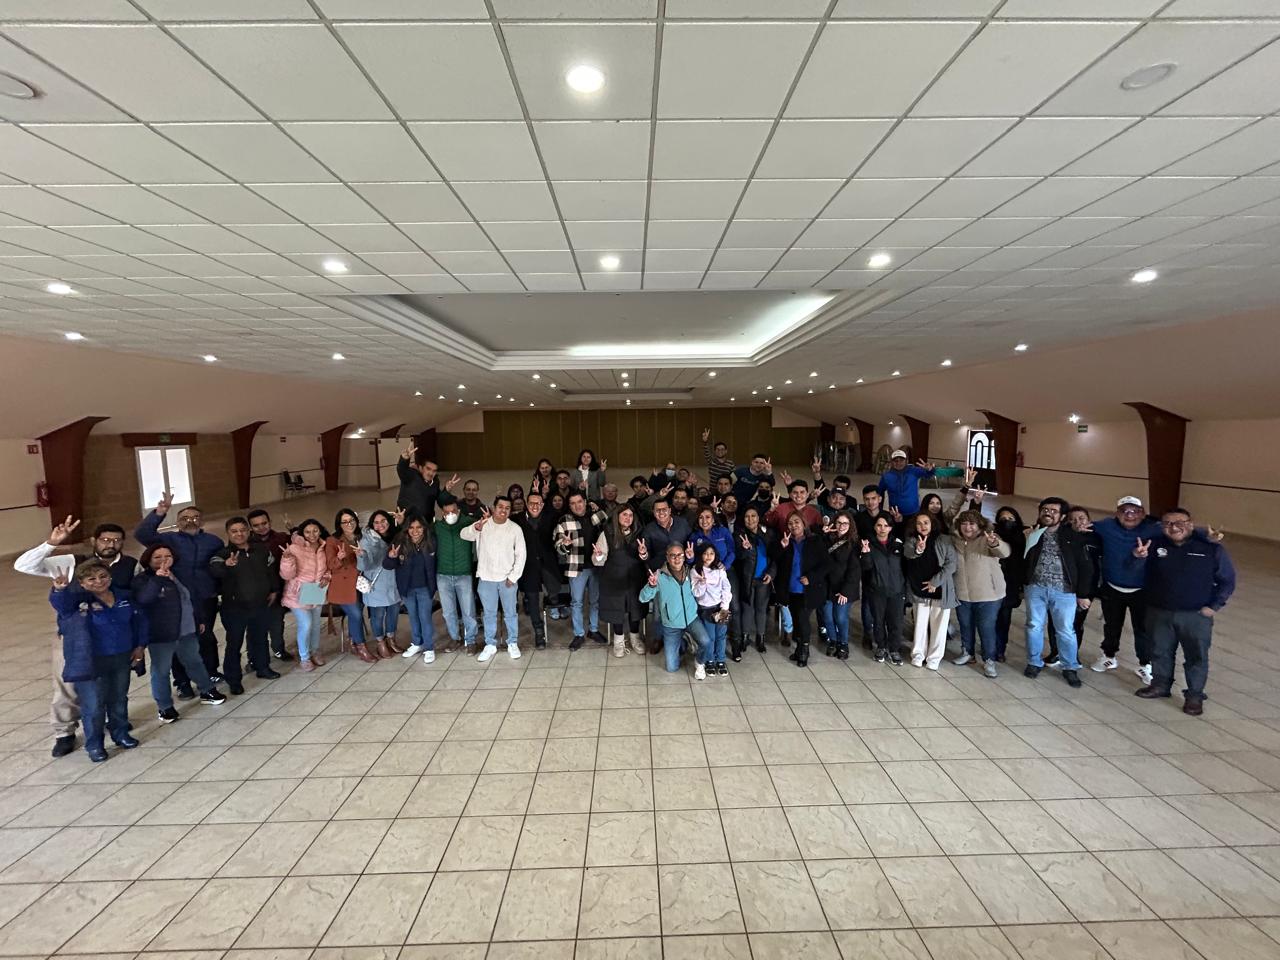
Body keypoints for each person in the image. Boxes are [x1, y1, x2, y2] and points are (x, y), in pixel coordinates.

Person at [15, 516, 139, 758]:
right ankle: (65, 732)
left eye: (116, 540)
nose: (110, 544)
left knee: (113, 689)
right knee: (68, 687)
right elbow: (23, 566)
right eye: (105, 540)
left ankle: (115, 725)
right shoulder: (72, 562)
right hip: (75, 638)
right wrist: (51, 543)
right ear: (94, 541)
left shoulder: (130, 565)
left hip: (111, 640)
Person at [1134, 507, 1236, 716]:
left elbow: (1227, 580)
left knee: (1196, 656)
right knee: (1159, 651)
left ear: (1190, 524)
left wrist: (1214, 606)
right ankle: (1160, 685)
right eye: (1168, 523)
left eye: (1179, 522)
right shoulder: (1153, 545)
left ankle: (1194, 695)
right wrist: (1138, 557)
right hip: (1159, 611)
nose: (1174, 527)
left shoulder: (1210, 548)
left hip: (1195, 615)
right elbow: (1137, 571)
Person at [50, 561, 146, 762]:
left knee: (119, 698)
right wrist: (59, 590)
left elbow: (139, 622)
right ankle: (94, 745)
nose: (98, 581)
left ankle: (120, 733)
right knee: (94, 705)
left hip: (121, 657)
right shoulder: (77, 603)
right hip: (91, 661)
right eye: (91, 579)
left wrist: (139, 646)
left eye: (103, 576)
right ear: (82, 583)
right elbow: (62, 605)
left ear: (110, 577)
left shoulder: (124, 597)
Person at [134, 494, 224, 690]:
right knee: (177, 639)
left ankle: (211, 671)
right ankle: (182, 681)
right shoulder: (168, 539)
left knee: (206, 636)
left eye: (195, 518)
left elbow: (219, 565)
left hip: (205, 596)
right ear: (177, 522)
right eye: (185, 518)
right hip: (176, 599)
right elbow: (142, 534)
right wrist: (159, 513)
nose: (190, 521)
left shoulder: (213, 541)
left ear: (202, 521)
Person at [132, 545, 227, 719]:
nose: (163, 560)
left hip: (187, 629)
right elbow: (144, 599)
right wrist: (158, 579)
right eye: (157, 557)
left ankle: (207, 690)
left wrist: (199, 619)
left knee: (195, 661)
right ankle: (165, 707)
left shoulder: (178, 574)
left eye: (167, 556)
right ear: (148, 560)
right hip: (162, 633)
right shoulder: (143, 579)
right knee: (161, 670)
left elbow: (190, 598)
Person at [1087, 496, 1164, 683]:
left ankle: (1145, 664)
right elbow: (1084, 525)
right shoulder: (1106, 526)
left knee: (1143, 629)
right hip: (1112, 587)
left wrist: (1209, 537)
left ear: (1142, 513)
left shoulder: (1153, 529)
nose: (1129, 515)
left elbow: (1184, 530)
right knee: (1112, 625)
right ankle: (1108, 656)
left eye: (1135, 511)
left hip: (1142, 590)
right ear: (1117, 513)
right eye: (1124, 511)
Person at [1022, 497, 1095, 689]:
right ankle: (1034, 662)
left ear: (1062, 516)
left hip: (1064, 592)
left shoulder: (1074, 537)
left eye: (1053, 511)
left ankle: (1070, 666)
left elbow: (1086, 567)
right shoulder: (1032, 533)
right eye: (1045, 509)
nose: (1048, 513)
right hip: (1035, 588)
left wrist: (1083, 594)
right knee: (1033, 626)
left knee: (1065, 630)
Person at [210, 517, 279, 692]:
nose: (239, 534)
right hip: (234, 608)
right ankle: (234, 680)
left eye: (242, 530)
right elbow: (215, 571)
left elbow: (271, 571)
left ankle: (262, 667)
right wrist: (227, 565)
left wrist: (273, 590)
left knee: (260, 638)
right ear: (228, 533)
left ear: (249, 531)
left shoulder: (261, 550)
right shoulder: (222, 555)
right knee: (234, 643)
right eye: (234, 531)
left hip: (260, 604)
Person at [461, 496, 526, 661]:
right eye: (500, 507)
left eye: (507, 508)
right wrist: (475, 528)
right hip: (486, 578)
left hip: (507, 580)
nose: (503, 510)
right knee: (489, 614)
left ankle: (512, 643)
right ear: (493, 508)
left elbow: (521, 554)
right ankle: (490, 644)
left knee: (510, 613)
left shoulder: (515, 529)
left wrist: (513, 577)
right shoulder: (483, 525)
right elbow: (464, 535)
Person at [950, 510, 1010, 678]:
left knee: (986, 627)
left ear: (980, 525)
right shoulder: (955, 540)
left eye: (972, 524)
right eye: (964, 523)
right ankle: (967, 652)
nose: (967, 527)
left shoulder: (988, 538)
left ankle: (989, 660)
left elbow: (1004, 552)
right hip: (962, 593)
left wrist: (995, 543)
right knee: (965, 625)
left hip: (988, 594)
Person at [640, 543, 711, 678]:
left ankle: (699, 662)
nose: (677, 558)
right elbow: (642, 598)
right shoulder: (659, 576)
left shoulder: (691, 571)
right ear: (667, 557)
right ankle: (684, 641)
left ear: (684, 556)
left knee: (706, 642)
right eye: (673, 555)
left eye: (680, 555)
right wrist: (651, 586)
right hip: (671, 625)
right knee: (672, 668)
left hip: (691, 619)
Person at [554, 492, 611, 650]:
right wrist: (565, 544)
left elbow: (611, 531)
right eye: (573, 503)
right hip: (576, 567)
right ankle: (579, 634)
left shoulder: (598, 515)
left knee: (595, 601)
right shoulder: (564, 521)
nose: (577, 506)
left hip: (597, 565)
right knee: (576, 602)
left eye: (579, 501)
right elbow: (558, 545)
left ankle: (593, 630)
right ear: (569, 506)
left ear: (585, 502)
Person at [1046, 506, 1101, 668]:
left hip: (1085, 589)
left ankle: (1072, 655)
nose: (1078, 522)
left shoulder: (1096, 538)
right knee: (1055, 621)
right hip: (1061, 586)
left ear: (1089, 520)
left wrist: (1085, 594)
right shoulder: (1063, 536)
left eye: (1081, 518)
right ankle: (1055, 652)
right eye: (1073, 519)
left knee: (1076, 623)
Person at [901, 512, 958, 670]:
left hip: (940, 590)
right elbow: (908, 554)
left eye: (926, 522)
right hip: (919, 590)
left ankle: (934, 659)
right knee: (920, 625)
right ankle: (918, 655)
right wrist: (919, 549)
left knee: (939, 627)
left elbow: (951, 564)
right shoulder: (911, 540)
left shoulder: (945, 540)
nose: (923, 526)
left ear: (932, 523)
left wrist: (935, 582)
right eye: (919, 523)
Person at [773, 512, 830, 668]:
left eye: (796, 522)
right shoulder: (785, 541)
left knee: (803, 619)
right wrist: (782, 547)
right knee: (796, 619)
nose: (793, 525)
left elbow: (826, 564)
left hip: (808, 589)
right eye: (790, 523)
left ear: (804, 523)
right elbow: (775, 559)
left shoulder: (815, 541)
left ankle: (804, 650)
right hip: (790, 589)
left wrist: (811, 577)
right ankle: (799, 648)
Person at [592, 506, 649, 657]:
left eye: (630, 515)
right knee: (616, 608)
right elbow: (598, 561)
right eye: (624, 514)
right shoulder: (607, 533)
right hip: (613, 578)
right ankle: (618, 640)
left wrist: (643, 553)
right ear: (617, 516)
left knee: (635, 607)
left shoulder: (639, 533)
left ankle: (635, 637)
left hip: (635, 578)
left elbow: (646, 557)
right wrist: (598, 555)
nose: (628, 518)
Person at [383, 515, 438, 664]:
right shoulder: (399, 542)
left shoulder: (431, 542)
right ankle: (417, 643)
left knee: (425, 617)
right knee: (413, 616)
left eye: (419, 527)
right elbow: (387, 565)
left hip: (425, 587)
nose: (415, 531)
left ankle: (429, 648)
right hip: (407, 588)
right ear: (407, 529)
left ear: (424, 528)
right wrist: (391, 557)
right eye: (411, 528)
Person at [279, 519, 331, 672]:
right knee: (306, 624)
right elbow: (286, 575)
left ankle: (315, 651)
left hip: (316, 590)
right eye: (307, 532)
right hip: (297, 593)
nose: (312, 535)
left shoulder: (324, 547)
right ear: (302, 533)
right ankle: (304, 657)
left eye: (315, 531)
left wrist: (327, 576)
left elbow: (328, 568)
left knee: (315, 624)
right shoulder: (295, 548)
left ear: (320, 531)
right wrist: (287, 558)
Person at [854, 486, 902, 648]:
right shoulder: (859, 518)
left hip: (887, 566)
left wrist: (898, 522)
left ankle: (888, 637)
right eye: (867, 499)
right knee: (868, 601)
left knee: (889, 605)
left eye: (873, 498)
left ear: (880, 499)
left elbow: (897, 538)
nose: (870, 502)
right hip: (868, 564)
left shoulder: (888, 516)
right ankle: (868, 633)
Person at [325, 509, 375, 662]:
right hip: (343, 585)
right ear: (339, 524)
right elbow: (330, 565)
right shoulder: (333, 541)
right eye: (345, 522)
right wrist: (339, 558)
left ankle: (353, 641)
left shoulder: (362, 536)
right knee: (356, 614)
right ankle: (361, 647)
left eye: (351, 520)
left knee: (357, 612)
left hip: (360, 582)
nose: (349, 524)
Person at [516, 491, 562, 649]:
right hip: (528, 567)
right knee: (533, 600)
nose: (535, 506)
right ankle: (539, 632)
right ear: (526, 503)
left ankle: (554, 602)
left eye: (538, 503)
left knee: (555, 590)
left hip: (548, 564)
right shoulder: (517, 519)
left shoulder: (552, 517)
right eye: (531, 503)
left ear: (543, 504)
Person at [433, 497, 478, 654]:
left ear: (458, 510)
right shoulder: (437, 527)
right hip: (443, 575)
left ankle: (471, 640)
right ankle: (454, 638)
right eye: (447, 512)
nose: (450, 514)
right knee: (448, 612)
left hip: (463, 574)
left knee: (468, 610)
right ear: (442, 513)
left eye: (453, 511)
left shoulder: (469, 523)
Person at [860, 516, 907, 665]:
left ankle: (894, 649)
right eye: (879, 525)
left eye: (886, 525)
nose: (882, 529)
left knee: (896, 622)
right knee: (878, 621)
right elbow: (866, 568)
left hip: (896, 590)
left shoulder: (898, 544)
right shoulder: (868, 544)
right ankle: (881, 647)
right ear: (875, 527)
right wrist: (865, 553)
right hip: (877, 590)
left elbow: (905, 567)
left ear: (890, 528)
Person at [247, 509, 292, 662]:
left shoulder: (281, 538)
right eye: (256, 525)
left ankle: (279, 649)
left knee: (277, 622)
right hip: (256, 592)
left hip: (277, 589)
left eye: (264, 523)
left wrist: (293, 529)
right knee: (255, 626)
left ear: (270, 522)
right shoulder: (246, 543)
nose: (261, 527)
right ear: (250, 527)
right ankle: (253, 658)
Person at [358, 510, 402, 657]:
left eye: (383, 521)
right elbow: (364, 566)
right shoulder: (366, 540)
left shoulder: (395, 536)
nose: (380, 525)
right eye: (376, 522)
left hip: (393, 582)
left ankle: (391, 639)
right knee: (378, 614)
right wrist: (362, 556)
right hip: (376, 584)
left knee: (393, 612)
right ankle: (380, 642)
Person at [732, 507, 775, 656]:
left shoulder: (768, 534)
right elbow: (738, 557)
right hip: (747, 579)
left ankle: (760, 638)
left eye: (753, 516)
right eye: (747, 516)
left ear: (758, 517)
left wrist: (771, 573)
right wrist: (745, 549)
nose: (750, 519)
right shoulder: (739, 535)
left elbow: (775, 557)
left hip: (764, 579)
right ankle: (745, 637)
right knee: (747, 608)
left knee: (761, 609)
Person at [821, 512, 860, 659]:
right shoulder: (827, 539)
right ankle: (833, 641)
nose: (842, 526)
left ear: (850, 525)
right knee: (827, 617)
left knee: (840, 617)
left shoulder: (854, 543)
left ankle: (843, 643)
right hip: (827, 586)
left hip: (845, 587)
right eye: (839, 523)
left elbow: (854, 570)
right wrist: (823, 535)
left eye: (845, 523)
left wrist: (845, 591)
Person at [692, 543, 733, 676]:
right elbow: (696, 593)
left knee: (721, 635)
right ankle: (709, 660)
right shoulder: (695, 570)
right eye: (705, 553)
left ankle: (720, 660)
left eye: (711, 553)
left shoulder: (720, 569)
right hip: (706, 609)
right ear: (700, 555)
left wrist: (724, 607)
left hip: (720, 607)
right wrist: (702, 583)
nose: (708, 556)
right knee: (710, 637)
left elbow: (726, 587)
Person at [992, 507, 1026, 662]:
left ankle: (1000, 649)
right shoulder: (994, 535)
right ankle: (990, 645)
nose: (1006, 521)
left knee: (1004, 619)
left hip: (1011, 584)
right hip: (992, 582)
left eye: (1010, 518)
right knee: (990, 618)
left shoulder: (1023, 537)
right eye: (1003, 519)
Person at [396, 440, 459, 520]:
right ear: (421, 468)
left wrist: (446, 490)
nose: (431, 473)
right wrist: (404, 459)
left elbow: (441, 502)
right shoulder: (411, 476)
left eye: (434, 471)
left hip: (426, 522)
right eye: (428, 469)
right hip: (407, 520)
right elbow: (402, 470)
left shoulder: (435, 482)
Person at [878, 450, 936, 515]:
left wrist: (930, 470)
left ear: (906, 461)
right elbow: (879, 493)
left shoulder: (913, 470)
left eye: (901, 460)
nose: (898, 463)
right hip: (895, 513)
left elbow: (928, 475)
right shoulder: (886, 476)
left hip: (913, 512)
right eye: (896, 461)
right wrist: (879, 510)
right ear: (891, 462)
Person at [641, 499, 692, 572]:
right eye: (658, 510)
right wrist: (644, 554)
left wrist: (690, 556)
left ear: (669, 510)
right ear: (653, 512)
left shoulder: (682, 523)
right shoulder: (648, 530)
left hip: (682, 570)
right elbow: (646, 556)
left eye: (664, 509)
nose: (661, 512)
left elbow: (690, 544)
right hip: (659, 571)